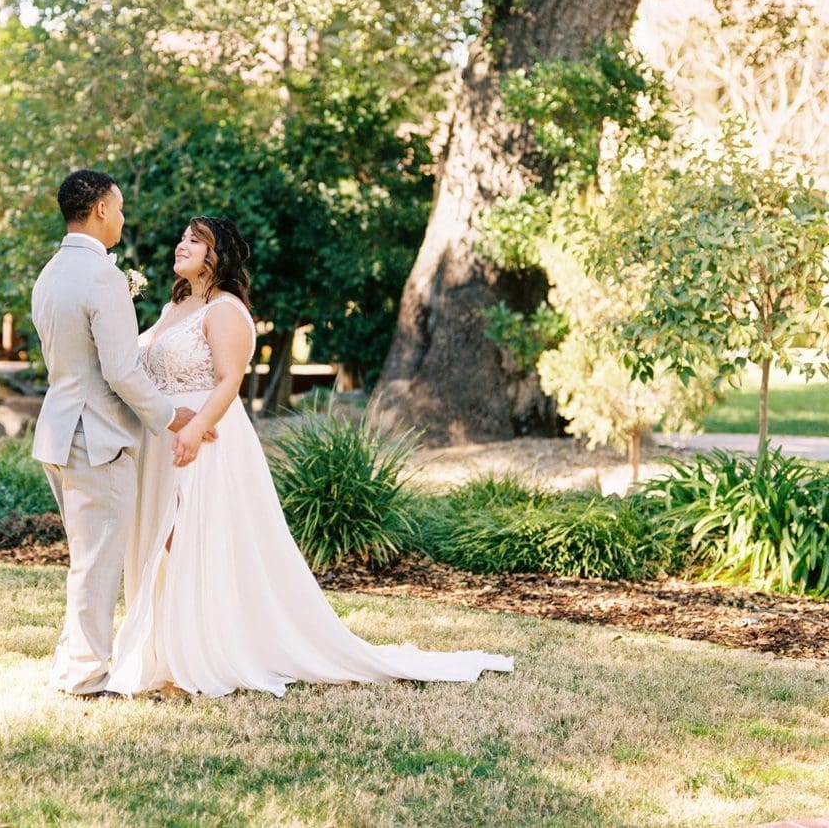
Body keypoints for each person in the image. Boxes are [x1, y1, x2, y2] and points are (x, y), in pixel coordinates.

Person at [107, 216, 514, 698]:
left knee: (186, 543)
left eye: (195, 241)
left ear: (220, 256)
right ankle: (160, 655)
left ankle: (190, 661)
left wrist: (195, 428)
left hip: (204, 439)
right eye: (182, 238)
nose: (181, 245)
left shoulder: (225, 310)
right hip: (165, 437)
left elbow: (229, 383)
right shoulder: (179, 304)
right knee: (163, 541)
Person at [30, 170, 204, 697]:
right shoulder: (102, 276)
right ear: (101, 209)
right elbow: (121, 370)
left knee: (87, 556)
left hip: (59, 429)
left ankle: (70, 664)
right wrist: (169, 414)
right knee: (98, 561)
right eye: (121, 207)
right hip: (97, 436)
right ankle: (85, 675)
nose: (124, 218)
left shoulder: (51, 273)